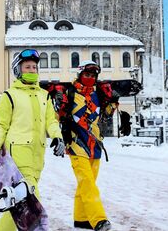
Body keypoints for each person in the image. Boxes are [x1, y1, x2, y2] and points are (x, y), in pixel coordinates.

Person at [0, 49, 64, 231]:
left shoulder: (44, 96)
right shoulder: (10, 95)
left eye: (35, 67)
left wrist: (58, 137)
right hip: (18, 159)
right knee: (32, 206)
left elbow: (51, 121)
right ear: (18, 70)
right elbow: (0, 127)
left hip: (37, 159)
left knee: (18, 206)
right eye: (27, 67)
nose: (32, 70)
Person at [55, 60, 118, 231]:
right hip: (76, 144)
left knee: (85, 184)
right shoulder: (70, 92)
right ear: (80, 75)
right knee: (88, 184)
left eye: (93, 76)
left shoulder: (99, 95)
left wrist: (113, 101)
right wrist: (58, 103)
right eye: (86, 75)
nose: (89, 78)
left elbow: (105, 114)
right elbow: (58, 115)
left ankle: (81, 219)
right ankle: (99, 219)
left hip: (95, 146)